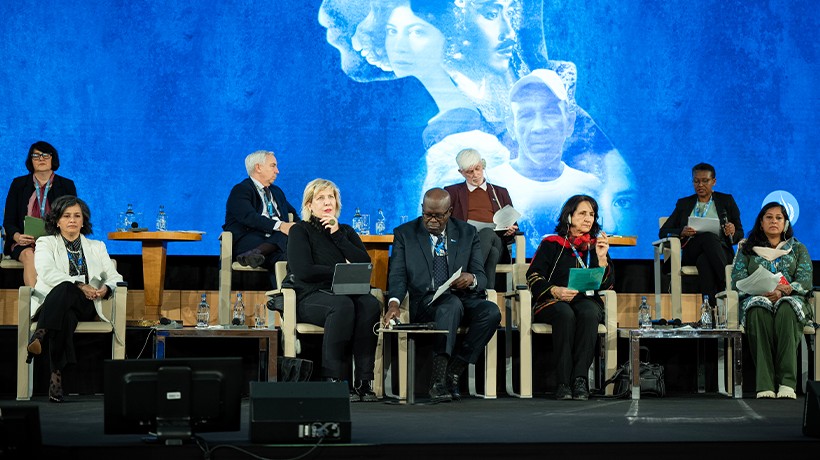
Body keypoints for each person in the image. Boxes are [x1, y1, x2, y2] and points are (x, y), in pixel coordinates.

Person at [384, 188, 501, 403]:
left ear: (450, 212)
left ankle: (455, 370)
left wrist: (471, 278)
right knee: (451, 304)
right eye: (428, 214)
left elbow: (481, 277)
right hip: (426, 301)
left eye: (439, 215)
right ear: (422, 209)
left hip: (462, 297)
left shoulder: (467, 232)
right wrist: (393, 304)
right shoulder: (405, 234)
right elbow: (398, 275)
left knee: (491, 312)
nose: (432, 220)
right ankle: (437, 382)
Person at [286, 179, 380, 402]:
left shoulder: (345, 231)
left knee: (370, 304)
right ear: (309, 205)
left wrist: (337, 234)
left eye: (331, 197)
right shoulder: (300, 230)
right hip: (310, 296)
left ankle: (364, 382)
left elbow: (363, 262)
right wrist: (339, 271)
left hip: (344, 292)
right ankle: (334, 380)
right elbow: (304, 270)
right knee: (342, 305)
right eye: (321, 198)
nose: (327, 202)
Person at [25, 195, 123, 403]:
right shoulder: (46, 242)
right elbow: (46, 272)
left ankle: (40, 335)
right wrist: (79, 284)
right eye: (66, 215)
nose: (72, 220)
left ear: (83, 220)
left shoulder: (97, 246)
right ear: (57, 221)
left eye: (77, 216)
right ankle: (56, 376)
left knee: (69, 292)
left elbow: (115, 277)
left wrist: (106, 288)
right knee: (66, 308)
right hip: (53, 303)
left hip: (86, 304)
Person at [489, 69, 601, 251]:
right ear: (511, 126)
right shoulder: (491, 185)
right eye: (526, 115)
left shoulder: (591, 188)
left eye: (550, 113)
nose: (539, 127)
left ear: (570, 122)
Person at [525, 195, 613, 400]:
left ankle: (580, 380)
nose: (588, 218)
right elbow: (533, 276)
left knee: (590, 312)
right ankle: (563, 382)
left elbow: (608, 285)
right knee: (565, 314)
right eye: (582, 213)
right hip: (552, 301)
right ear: (569, 216)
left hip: (585, 300)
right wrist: (554, 290)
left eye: (592, 214)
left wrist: (602, 259)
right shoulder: (551, 243)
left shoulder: (596, 246)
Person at [730, 202, 813, 400]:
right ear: (761, 222)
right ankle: (765, 384)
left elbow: (805, 280)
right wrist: (766, 290)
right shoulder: (748, 249)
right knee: (758, 310)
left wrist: (786, 290)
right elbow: (738, 280)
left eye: (779, 218)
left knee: (786, 309)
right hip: (758, 298)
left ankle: (786, 383)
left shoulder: (797, 249)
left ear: (785, 223)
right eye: (769, 217)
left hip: (790, 299)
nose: (774, 221)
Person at [659, 162, 743, 307]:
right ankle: (728, 282)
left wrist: (732, 231)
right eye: (696, 181)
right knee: (708, 237)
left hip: (720, 252)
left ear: (714, 182)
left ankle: (709, 313)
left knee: (704, 261)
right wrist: (681, 231)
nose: (700, 185)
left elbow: (740, 233)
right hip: (692, 251)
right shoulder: (684, 203)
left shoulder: (726, 201)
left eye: (705, 181)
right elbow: (663, 232)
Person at [4, 141, 77, 287]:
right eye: (36, 156)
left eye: (45, 155)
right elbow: (8, 221)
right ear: (30, 161)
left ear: (53, 159)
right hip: (24, 242)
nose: (41, 159)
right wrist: (17, 236)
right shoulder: (18, 184)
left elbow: (73, 218)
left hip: (56, 242)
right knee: (29, 255)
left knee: (50, 257)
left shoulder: (67, 185)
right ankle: (36, 302)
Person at [223, 150, 299, 287]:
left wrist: (304, 229)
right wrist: (281, 226)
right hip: (250, 240)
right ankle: (284, 298)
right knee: (285, 241)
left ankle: (281, 297)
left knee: (282, 257)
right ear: (258, 167)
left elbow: (294, 215)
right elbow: (249, 217)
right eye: (273, 166)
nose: (277, 171)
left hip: (274, 246)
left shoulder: (277, 192)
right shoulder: (241, 190)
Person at [444, 148, 518, 288]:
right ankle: (483, 292)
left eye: (478, 169)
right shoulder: (452, 192)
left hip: (496, 240)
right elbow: (445, 224)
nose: (475, 175)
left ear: (483, 165)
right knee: (492, 253)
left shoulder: (500, 192)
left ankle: (466, 275)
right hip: (465, 244)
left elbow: (514, 225)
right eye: (469, 172)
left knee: (487, 233)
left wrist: (510, 230)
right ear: (461, 172)